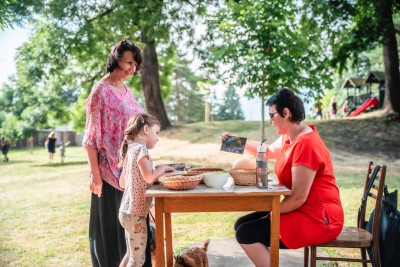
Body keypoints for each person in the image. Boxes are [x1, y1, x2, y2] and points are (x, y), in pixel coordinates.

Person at [221, 88, 344, 267]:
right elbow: (268, 151)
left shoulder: (306, 145)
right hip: (303, 209)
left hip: (319, 218)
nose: (270, 121)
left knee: (246, 233)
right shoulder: (291, 136)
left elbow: (298, 197)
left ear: (286, 113)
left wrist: (272, 213)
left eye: (272, 115)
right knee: (242, 224)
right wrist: (231, 142)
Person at [83, 39, 153, 267]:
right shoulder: (100, 90)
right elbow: (91, 139)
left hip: (131, 173)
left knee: (137, 236)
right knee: (115, 237)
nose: (132, 68)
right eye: (128, 62)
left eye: (135, 64)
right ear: (115, 59)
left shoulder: (126, 89)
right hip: (110, 175)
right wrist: (95, 175)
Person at [118, 113, 174, 267]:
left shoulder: (130, 150)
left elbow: (122, 182)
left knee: (130, 255)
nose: (158, 138)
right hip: (136, 214)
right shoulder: (141, 149)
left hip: (125, 212)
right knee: (137, 260)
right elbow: (149, 178)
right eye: (157, 133)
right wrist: (161, 169)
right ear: (146, 129)